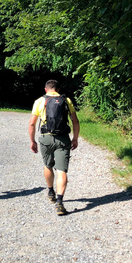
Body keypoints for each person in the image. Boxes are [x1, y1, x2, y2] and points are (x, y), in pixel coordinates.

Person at [28, 79, 80, 215]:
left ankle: (51, 191)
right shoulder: (66, 100)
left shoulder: (40, 101)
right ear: (58, 89)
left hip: (46, 138)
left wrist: (32, 141)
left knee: (48, 165)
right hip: (63, 138)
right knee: (62, 170)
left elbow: (32, 124)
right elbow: (75, 121)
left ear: (46, 89)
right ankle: (60, 202)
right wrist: (75, 138)